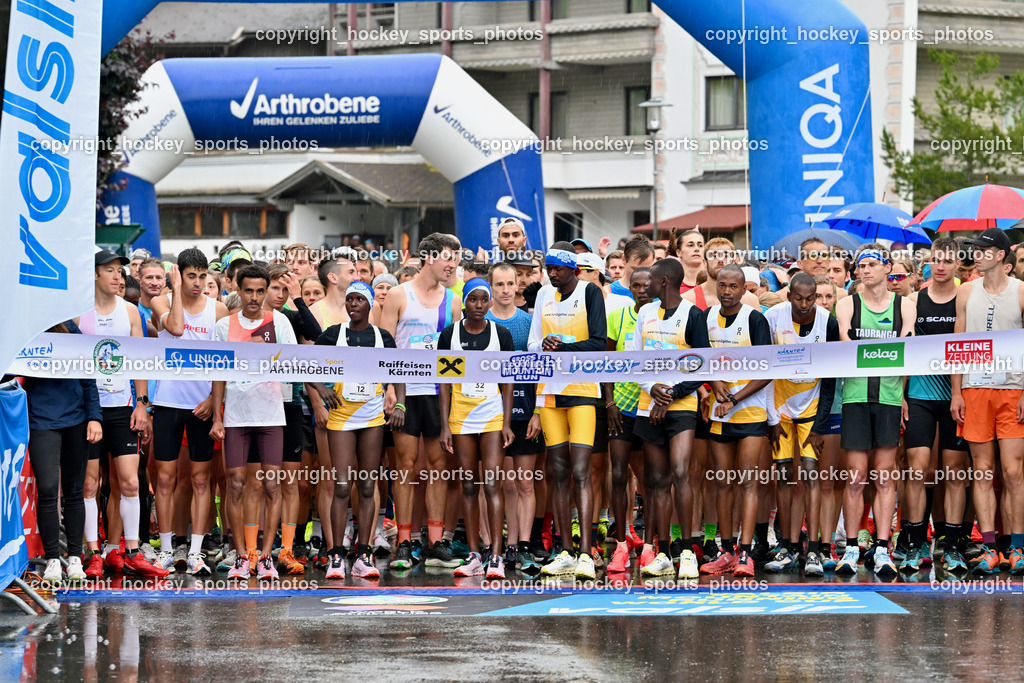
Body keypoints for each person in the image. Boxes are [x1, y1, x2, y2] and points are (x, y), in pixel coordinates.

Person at [78, 251, 165, 578]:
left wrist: (142, 404)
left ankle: (129, 550)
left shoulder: (130, 312)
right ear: (95, 275)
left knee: (128, 482)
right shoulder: (78, 315)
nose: (118, 277)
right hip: (88, 409)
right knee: (90, 484)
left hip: (122, 408)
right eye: (110, 271)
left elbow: (139, 361)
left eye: (120, 271)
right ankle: (93, 553)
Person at [380, 233, 463, 569]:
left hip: (438, 392)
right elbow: (385, 344)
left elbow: (457, 349)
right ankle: (403, 540)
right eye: (447, 257)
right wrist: (389, 390)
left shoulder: (453, 300)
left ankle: (434, 541)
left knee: (438, 466)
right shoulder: (399, 294)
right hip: (405, 391)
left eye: (456, 258)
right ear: (429, 257)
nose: (453, 264)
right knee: (406, 465)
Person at [211, 264, 297, 581]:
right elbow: (217, 371)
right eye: (249, 290)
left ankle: (264, 557)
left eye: (261, 291)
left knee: (271, 485)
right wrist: (217, 416)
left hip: (272, 414)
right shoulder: (224, 326)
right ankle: (240, 555)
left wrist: (266, 353)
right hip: (236, 415)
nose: (255, 297)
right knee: (235, 484)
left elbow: (291, 363)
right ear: (238, 290)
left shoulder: (281, 322)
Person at [309, 281, 400, 580]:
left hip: (372, 415)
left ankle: (364, 552)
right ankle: (336, 555)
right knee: (343, 485)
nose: (353, 304)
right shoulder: (334, 334)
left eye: (360, 299)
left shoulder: (382, 337)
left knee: (366, 484)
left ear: (370, 303)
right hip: (341, 417)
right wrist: (321, 389)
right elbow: (303, 364)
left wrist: (399, 404)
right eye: (349, 299)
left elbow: (400, 370)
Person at [834, 244, 915, 576]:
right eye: (860, 266)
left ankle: (883, 548)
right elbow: (846, 344)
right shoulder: (846, 304)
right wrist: (887, 347)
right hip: (855, 397)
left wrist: (904, 392)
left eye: (871, 264)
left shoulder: (905, 306)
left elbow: (908, 347)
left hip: (890, 397)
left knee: (884, 477)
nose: (865, 270)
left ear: (887, 267)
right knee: (855, 478)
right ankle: (851, 547)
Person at [528, 244, 607, 580]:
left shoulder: (590, 292)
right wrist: (545, 346)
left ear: (572, 269)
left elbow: (600, 342)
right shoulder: (544, 295)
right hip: (549, 393)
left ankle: (587, 553)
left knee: (580, 470)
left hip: (583, 392)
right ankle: (564, 551)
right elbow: (532, 344)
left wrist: (563, 347)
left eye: (557, 269)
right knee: (557, 471)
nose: (551, 274)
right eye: (548, 269)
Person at [150, 249, 229, 574]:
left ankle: (195, 551)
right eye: (191, 276)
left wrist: (214, 399)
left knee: (201, 480)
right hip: (168, 402)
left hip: (201, 405)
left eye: (201, 276)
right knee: (166, 480)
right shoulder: (161, 302)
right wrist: (174, 290)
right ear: (179, 274)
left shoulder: (219, 309)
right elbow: (178, 328)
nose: (197, 283)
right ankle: (167, 549)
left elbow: (225, 361)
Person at [951, 228, 1024, 575]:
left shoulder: (1021, 291)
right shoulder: (966, 291)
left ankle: (1018, 548)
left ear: (1000, 256)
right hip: (975, 388)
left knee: (1012, 472)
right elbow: (955, 346)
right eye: (974, 249)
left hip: (1012, 389)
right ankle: (991, 547)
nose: (976, 254)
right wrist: (956, 392)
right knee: (982, 472)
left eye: (982, 249)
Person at [631, 259, 708, 579]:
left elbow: (704, 365)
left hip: (682, 406)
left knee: (680, 473)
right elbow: (634, 359)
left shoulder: (692, 315)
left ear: (664, 281)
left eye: (649, 280)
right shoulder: (645, 314)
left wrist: (672, 393)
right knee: (658, 480)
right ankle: (662, 553)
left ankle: (687, 550)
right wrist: (653, 389)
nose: (644, 285)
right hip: (650, 404)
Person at [763, 272, 839, 577]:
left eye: (811, 298)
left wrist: (820, 426)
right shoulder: (771, 317)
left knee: (810, 477)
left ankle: (815, 551)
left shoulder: (827, 321)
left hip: (811, 407)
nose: (805, 304)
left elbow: (833, 375)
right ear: (789, 295)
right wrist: (770, 418)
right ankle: (788, 546)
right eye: (799, 298)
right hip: (780, 408)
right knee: (784, 477)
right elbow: (763, 367)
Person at [901, 238, 970, 574]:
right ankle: (914, 545)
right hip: (921, 395)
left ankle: (953, 547)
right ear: (928, 263)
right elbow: (904, 351)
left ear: (958, 264)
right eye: (935, 261)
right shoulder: (914, 300)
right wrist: (900, 394)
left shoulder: (966, 298)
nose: (941, 266)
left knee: (955, 472)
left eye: (947, 261)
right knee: (918, 469)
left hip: (956, 397)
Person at [699, 265, 773, 577]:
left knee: (747, 481)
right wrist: (716, 390)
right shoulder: (706, 318)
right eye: (723, 285)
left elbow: (767, 370)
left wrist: (734, 398)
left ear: (744, 290)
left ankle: (746, 552)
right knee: (722, 484)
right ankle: (725, 550)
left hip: (750, 412)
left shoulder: (754, 319)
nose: (727, 291)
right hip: (719, 412)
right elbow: (701, 360)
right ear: (716, 286)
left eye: (734, 286)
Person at [439, 280, 515, 578]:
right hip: (461, 414)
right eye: (473, 299)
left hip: (492, 413)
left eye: (485, 299)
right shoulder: (451, 334)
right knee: (469, 486)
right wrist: (445, 424)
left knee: (492, 483)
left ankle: (495, 554)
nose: (480, 305)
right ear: (465, 302)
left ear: (490, 303)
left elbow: (508, 382)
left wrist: (507, 422)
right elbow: (443, 382)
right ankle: (473, 555)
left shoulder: (501, 334)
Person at [24, 321, 104, 583]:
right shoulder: (24, 327)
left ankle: (74, 558)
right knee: (47, 490)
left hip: (76, 419)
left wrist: (95, 417)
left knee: (73, 492)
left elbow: (88, 376)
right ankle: (51, 559)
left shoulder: (70, 328)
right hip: (40, 419)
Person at [486, 262, 543, 574]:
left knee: (525, 484)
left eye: (510, 284)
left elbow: (542, 369)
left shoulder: (529, 322)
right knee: (500, 483)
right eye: (499, 285)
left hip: (526, 411)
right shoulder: (479, 321)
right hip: (490, 413)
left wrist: (538, 411)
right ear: (490, 287)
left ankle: (523, 547)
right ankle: (498, 546)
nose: (506, 290)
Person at [604, 267, 653, 574]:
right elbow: (606, 362)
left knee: (651, 479)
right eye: (635, 285)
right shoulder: (617, 317)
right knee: (619, 474)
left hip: (651, 407)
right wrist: (608, 401)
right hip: (621, 406)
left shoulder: (660, 318)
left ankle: (652, 543)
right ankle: (621, 541)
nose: (640, 290)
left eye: (646, 285)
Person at [607, 234, 655, 304]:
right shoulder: (607, 293)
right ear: (624, 259)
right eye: (635, 269)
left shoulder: (660, 294)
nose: (641, 275)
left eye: (647, 269)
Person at [672, 229, 705, 293]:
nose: (697, 249)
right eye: (690, 245)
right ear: (679, 252)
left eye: (700, 245)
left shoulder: (715, 282)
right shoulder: (670, 285)